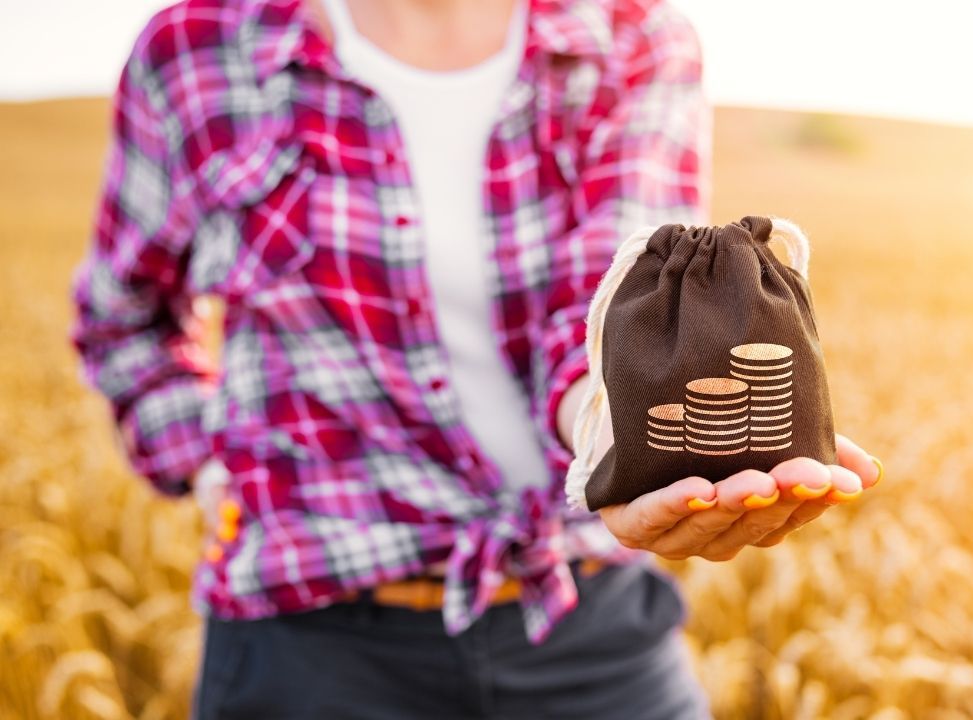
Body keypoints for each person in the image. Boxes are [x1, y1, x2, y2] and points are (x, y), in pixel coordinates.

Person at [71, 0, 883, 717]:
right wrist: (210, 465)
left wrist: (615, 439)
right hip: (305, 641)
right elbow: (123, 319)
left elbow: (603, 314)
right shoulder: (197, 51)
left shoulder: (632, 39)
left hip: (586, 619)